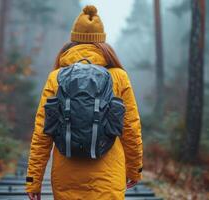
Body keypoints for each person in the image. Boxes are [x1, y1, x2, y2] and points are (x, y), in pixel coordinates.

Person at [26, 5, 143, 200]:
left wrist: (33, 179)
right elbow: (130, 128)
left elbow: (42, 132)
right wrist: (134, 169)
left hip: (66, 174)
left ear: (73, 40)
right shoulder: (119, 76)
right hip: (108, 174)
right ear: (102, 42)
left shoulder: (56, 77)